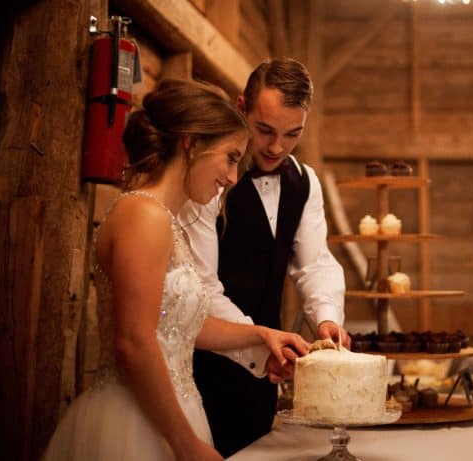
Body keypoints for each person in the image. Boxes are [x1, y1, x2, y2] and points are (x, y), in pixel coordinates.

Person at [42, 79, 309, 461]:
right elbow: (134, 343)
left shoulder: (166, 220)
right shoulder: (144, 215)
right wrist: (186, 444)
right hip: (134, 422)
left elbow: (176, 325)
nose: (233, 178)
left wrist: (261, 334)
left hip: (170, 414)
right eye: (231, 157)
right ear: (192, 144)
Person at [181, 58, 350, 456]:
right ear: (242, 107)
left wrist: (327, 321)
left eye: (293, 134)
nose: (277, 147)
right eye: (264, 130)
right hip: (201, 367)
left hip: (265, 378)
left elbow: (315, 264)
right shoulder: (211, 176)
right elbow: (203, 287)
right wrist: (262, 346)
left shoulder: (305, 182)